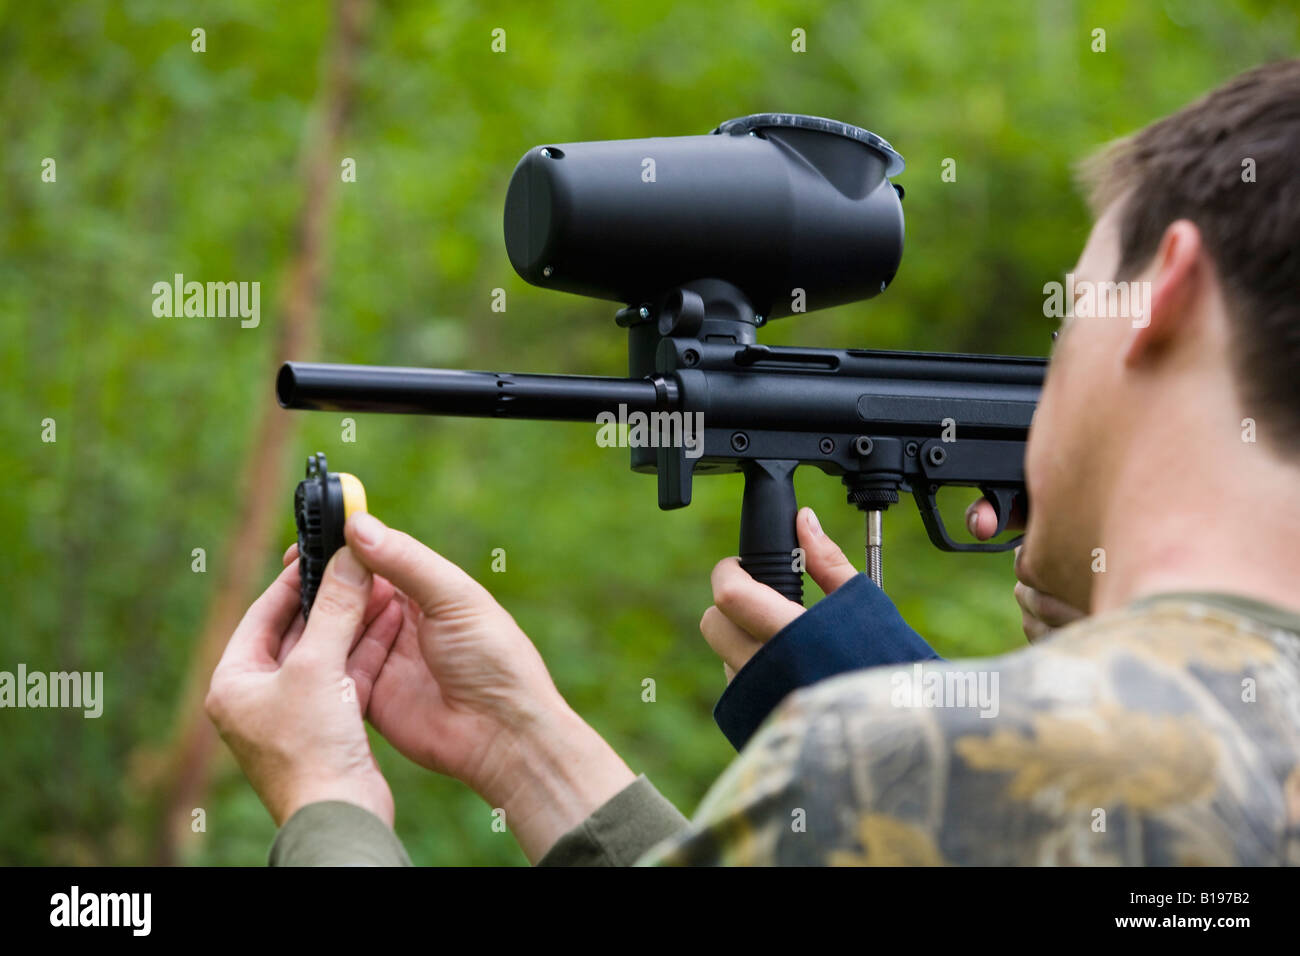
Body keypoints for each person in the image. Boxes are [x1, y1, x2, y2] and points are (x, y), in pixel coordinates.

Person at [206, 59, 1300, 866]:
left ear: (1166, 294)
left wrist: (329, 798)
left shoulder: (915, 767)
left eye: (1074, 314)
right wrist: (520, 747)